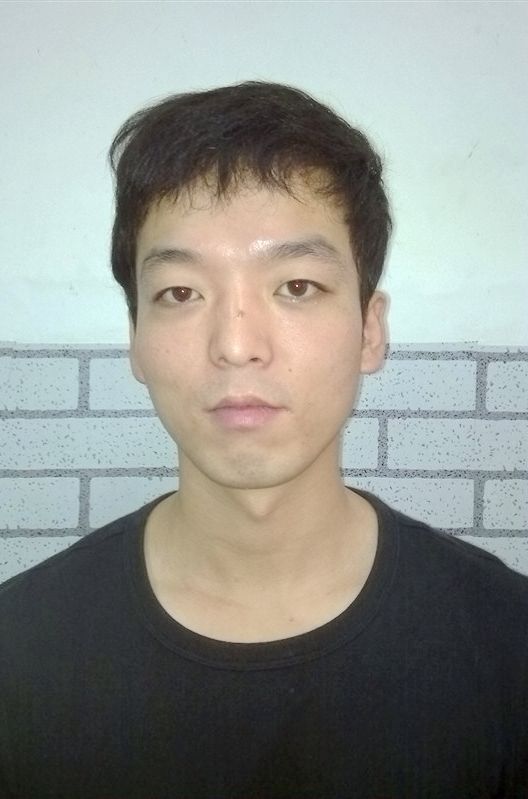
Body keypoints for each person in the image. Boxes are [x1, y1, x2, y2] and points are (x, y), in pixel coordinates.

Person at [0, 81, 527, 799]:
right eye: (181, 293)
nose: (237, 344)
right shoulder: (21, 649)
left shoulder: (506, 642)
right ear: (136, 340)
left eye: (297, 286)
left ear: (370, 330)